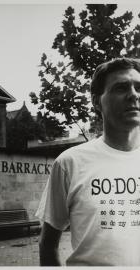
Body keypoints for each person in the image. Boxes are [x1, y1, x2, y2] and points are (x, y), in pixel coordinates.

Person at [36, 57, 140, 266]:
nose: (134, 95)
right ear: (96, 101)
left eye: (139, 87)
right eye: (120, 88)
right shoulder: (69, 163)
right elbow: (48, 245)